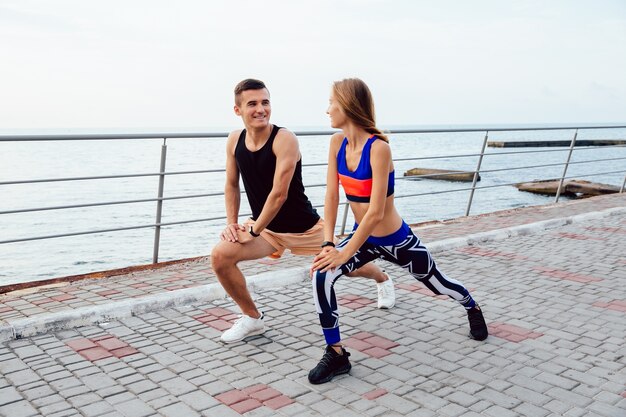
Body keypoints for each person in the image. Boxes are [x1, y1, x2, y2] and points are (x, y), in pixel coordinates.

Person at [308, 78, 488, 384]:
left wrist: (344, 253)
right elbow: (331, 195)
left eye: (331, 103)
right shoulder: (336, 143)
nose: (327, 110)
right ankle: (336, 354)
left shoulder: (379, 149)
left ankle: (471, 305)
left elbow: (376, 211)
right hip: (363, 237)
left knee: (437, 285)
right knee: (321, 274)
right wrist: (329, 243)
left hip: (397, 239)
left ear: (348, 106)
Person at [211, 78, 395, 344]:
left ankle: (382, 278)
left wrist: (252, 229)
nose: (261, 109)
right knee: (220, 256)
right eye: (252, 104)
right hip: (268, 230)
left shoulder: (284, 139)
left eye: (265, 102)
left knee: (345, 265)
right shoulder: (234, 140)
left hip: (304, 228)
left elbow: (279, 194)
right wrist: (232, 224)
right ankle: (252, 319)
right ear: (238, 110)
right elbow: (230, 184)